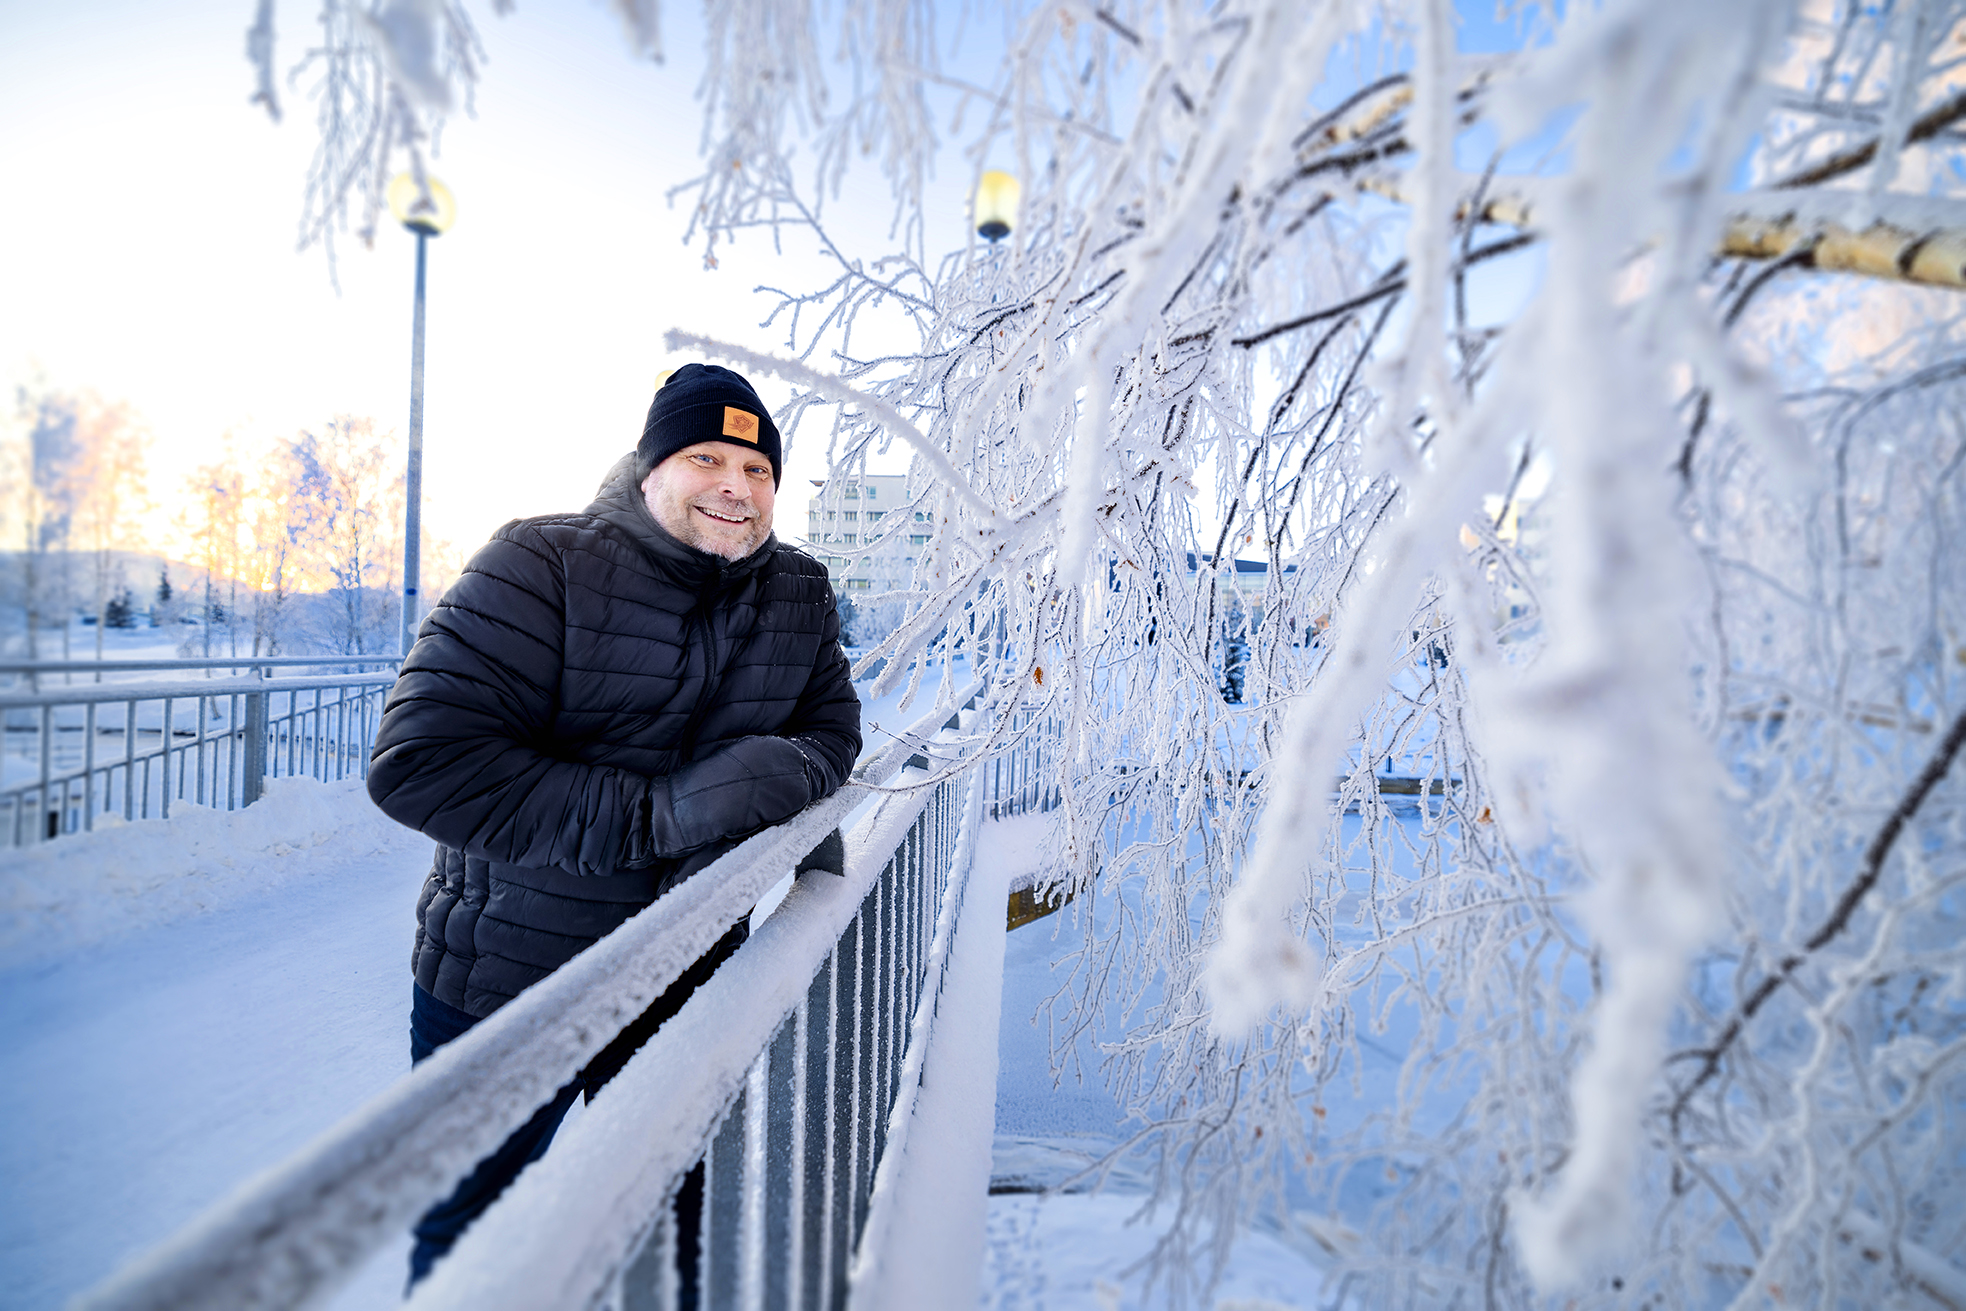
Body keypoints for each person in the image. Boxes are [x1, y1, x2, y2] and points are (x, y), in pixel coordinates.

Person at [366, 363, 861, 1290]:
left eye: (758, 470)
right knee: (476, 1251)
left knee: (669, 1237)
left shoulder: (796, 589)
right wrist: (660, 814)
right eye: (706, 457)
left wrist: (782, 771)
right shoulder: (540, 562)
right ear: (649, 468)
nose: (735, 486)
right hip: (510, 986)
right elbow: (422, 763)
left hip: (690, 968)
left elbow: (832, 729)